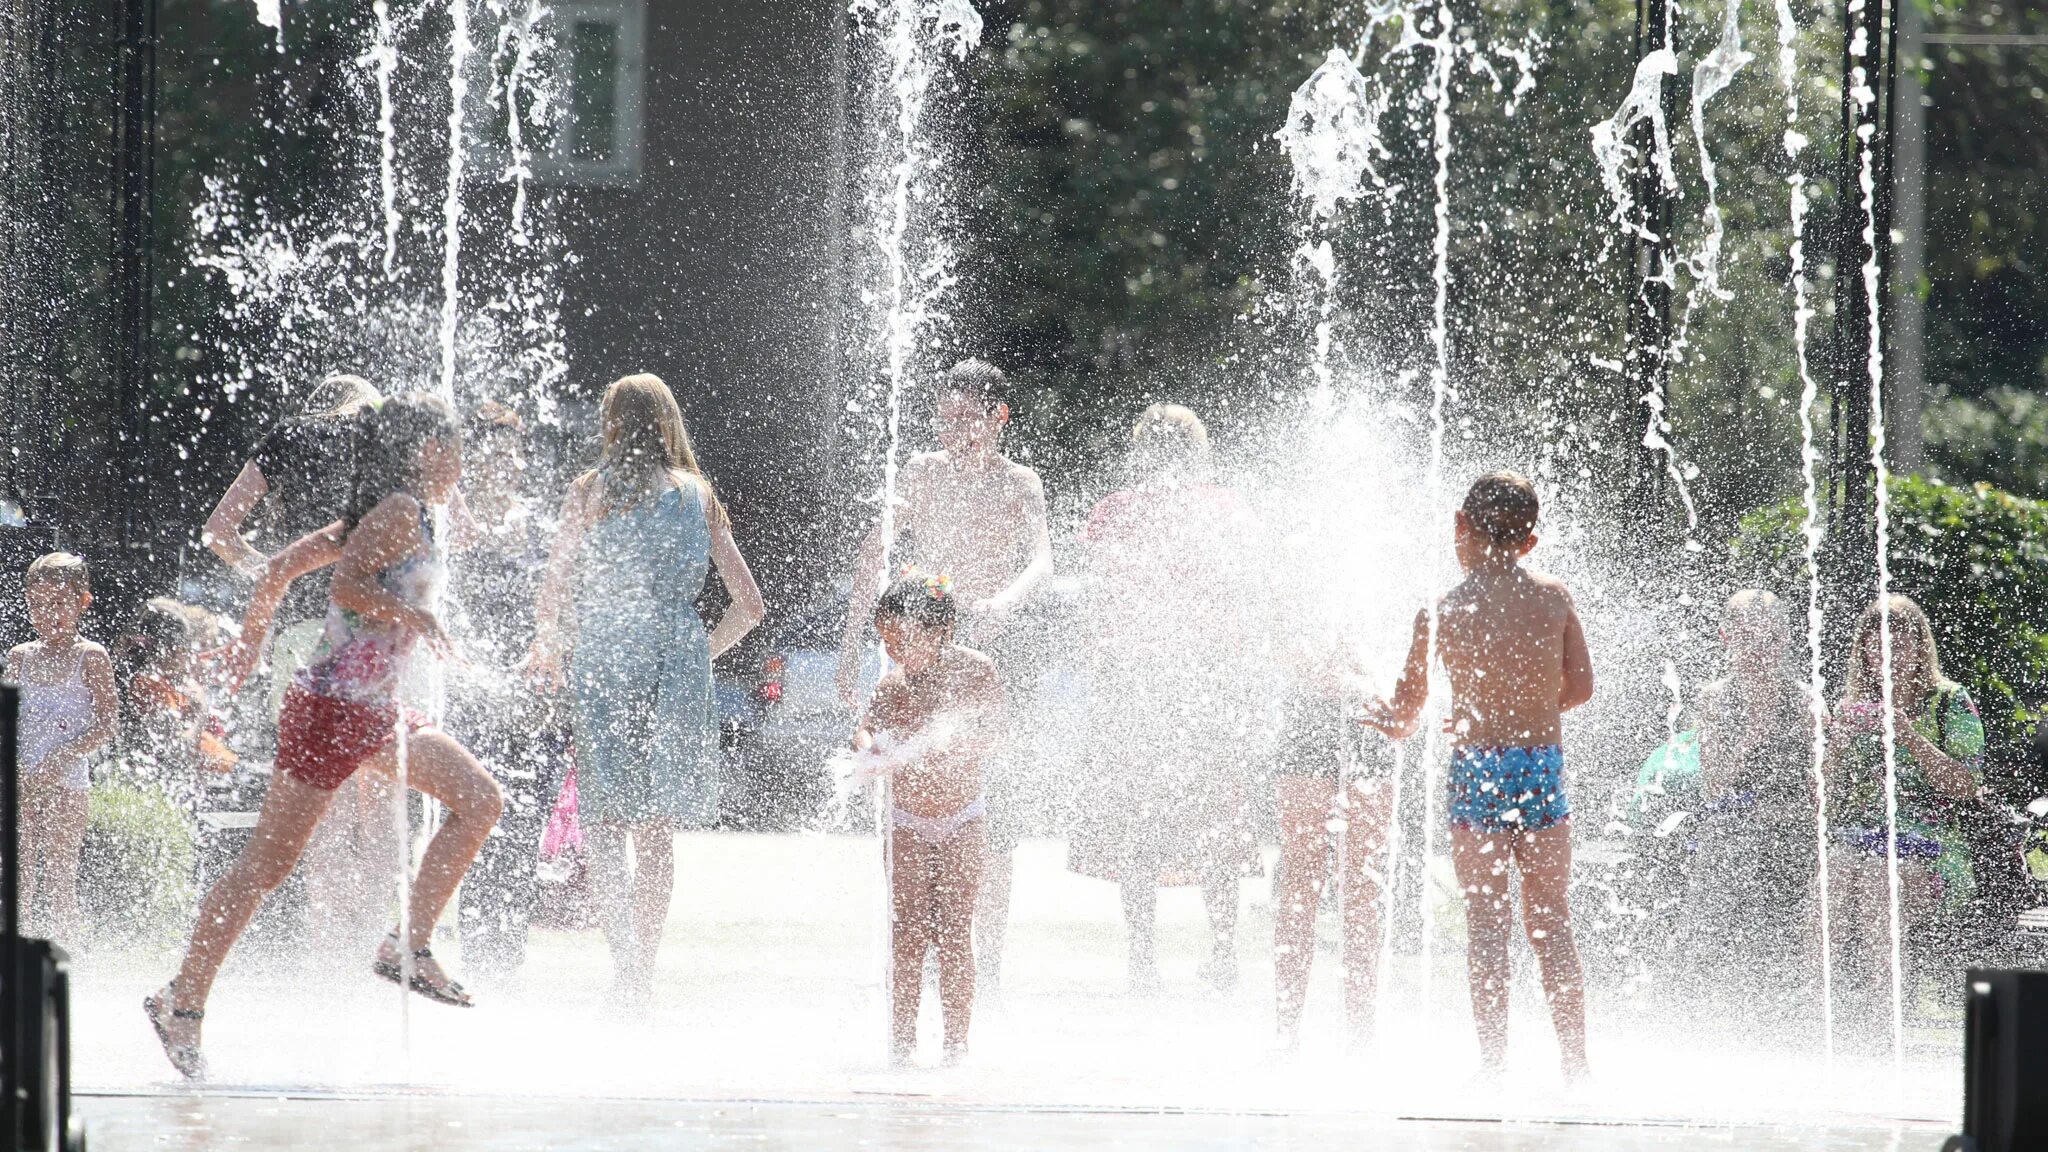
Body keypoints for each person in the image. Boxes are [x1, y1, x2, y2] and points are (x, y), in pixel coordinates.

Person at [146, 394, 505, 1081]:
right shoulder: (399, 511)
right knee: (265, 868)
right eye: (458, 449)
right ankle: (180, 1000)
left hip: (369, 712)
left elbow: (279, 569)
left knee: (481, 800)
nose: (464, 464)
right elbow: (345, 584)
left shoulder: (390, 511)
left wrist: (252, 647)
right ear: (428, 448)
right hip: (334, 712)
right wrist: (413, 617)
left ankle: (408, 945)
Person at [529, 374, 765, 1006]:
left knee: (604, 824)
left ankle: (624, 967)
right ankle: (644, 975)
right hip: (674, 664)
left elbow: (552, 594)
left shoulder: (588, 493)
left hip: (605, 658)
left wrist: (551, 655)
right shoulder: (699, 496)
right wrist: (699, 654)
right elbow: (751, 606)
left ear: (610, 423)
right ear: (669, 423)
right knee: (656, 833)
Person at [835, 359, 1052, 993]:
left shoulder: (1020, 483)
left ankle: (987, 954)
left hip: (992, 648)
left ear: (998, 417)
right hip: (924, 655)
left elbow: (1041, 558)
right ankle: (915, 943)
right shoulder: (921, 473)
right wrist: (855, 640)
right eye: (944, 417)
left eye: (967, 418)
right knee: (907, 782)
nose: (953, 429)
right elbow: (875, 555)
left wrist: (1004, 602)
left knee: (993, 807)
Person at [1369, 471, 1593, 1079]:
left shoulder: (1442, 611)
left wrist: (1387, 717)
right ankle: (1576, 1066)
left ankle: (1493, 1066)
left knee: (1488, 924)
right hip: (1540, 768)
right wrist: (1533, 711)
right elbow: (1582, 686)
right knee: (1549, 918)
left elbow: (1406, 710)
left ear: (1461, 527)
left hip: (1477, 772)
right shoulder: (1553, 597)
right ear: (1531, 540)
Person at [1067, 404, 1268, 995]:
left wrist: (1100, 680)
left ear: (1140, 452)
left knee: (1141, 820)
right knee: (1215, 818)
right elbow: (1252, 588)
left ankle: (1143, 960)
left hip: (1135, 682)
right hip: (1210, 680)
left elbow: (1099, 604)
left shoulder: (1114, 513)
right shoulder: (1228, 510)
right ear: (1198, 451)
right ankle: (1225, 953)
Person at [203, 374, 395, 967]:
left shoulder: (289, 437)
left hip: (301, 631)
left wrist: (276, 571)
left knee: (324, 801)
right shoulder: (388, 437)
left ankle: (330, 958)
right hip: (376, 631)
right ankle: (384, 947)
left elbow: (217, 531)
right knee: (383, 800)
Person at [850, 570, 1005, 1067]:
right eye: (886, 640)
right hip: (907, 820)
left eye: (902, 638)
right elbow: (865, 732)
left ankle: (957, 1046)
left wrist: (950, 743)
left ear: (940, 632)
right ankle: (900, 1045)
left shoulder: (976, 671)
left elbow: (996, 731)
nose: (893, 650)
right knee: (908, 931)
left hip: (963, 817)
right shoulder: (892, 684)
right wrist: (872, 752)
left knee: (956, 930)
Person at [450, 401, 567, 981]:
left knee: (521, 840)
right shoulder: (454, 535)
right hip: (475, 705)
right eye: (493, 456)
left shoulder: (545, 533)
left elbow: (565, 608)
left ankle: (506, 967)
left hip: (538, 711)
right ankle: (474, 960)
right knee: (474, 832)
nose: (506, 466)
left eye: (513, 455)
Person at [1823, 594, 1983, 1015]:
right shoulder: (1854, 706)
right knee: (1832, 874)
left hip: (1934, 849)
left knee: (1881, 877)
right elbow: (1825, 796)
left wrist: (1908, 733)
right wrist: (1835, 746)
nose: (1888, 656)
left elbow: (1966, 785)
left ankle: (1884, 1008)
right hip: (1863, 840)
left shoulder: (1949, 700)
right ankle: (1816, 1004)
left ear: (1919, 648)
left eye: (1900, 645)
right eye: (1877, 647)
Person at [1269, 545, 1400, 1050]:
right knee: (1302, 878)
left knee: (1362, 883)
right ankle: (1287, 1028)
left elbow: (1394, 675)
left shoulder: (1378, 601)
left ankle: (1360, 1032)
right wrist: (1361, 680)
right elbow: (1305, 665)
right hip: (1309, 733)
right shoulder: (1291, 602)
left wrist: (1368, 679)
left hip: (1367, 733)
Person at [1680, 590, 1821, 990]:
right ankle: (1703, 989)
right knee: (1729, 850)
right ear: (1727, 638)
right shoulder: (1717, 699)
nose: (1761, 652)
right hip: (1733, 833)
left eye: (1771, 640)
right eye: (1748, 640)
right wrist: (1746, 740)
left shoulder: (1805, 701)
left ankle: (1778, 995)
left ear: (1786, 638)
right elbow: (1715, 785)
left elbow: (1822, 795)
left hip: (1793, 835)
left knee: (1770, 862)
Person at [5, 553, 118, 941]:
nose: (45, 614)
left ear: (82, 602)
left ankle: (69, 964)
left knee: (58, 878)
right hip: (22, 778)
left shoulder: (91, 656)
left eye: (57, 603)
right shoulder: (20, 656)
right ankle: (14, 961)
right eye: (36, 604)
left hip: (67, 781)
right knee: (17, 876)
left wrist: (64, 755)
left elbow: (108, 724)